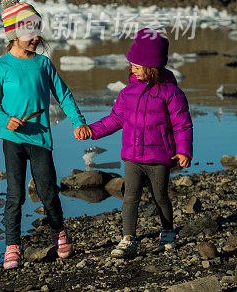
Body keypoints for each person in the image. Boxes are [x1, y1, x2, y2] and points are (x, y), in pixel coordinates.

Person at [0, 0, 89, 269]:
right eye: (28, 32)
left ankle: (59, 233)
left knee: (48, 191)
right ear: (13, 33)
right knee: (15, 195)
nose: (34, 38)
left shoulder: (43, 65)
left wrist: (78, 122)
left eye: (37, 31)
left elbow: (64, 95)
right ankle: (12, 246)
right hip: (13, 140)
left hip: (40, 138)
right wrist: (5, 120)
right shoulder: (1, 66)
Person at [75, 28, 193, 258]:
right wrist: (91, 131)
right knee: (130, 198)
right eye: (131, 65)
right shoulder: (128, 92)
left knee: (160, 197)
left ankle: (168, 232)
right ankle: (128, 238)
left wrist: (184, 151)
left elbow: (182, 125)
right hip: (132, 158)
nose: (132, 70)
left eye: (137, 67)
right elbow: (116, 119)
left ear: (152, 67)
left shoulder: (170, 93)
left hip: (159, 159)